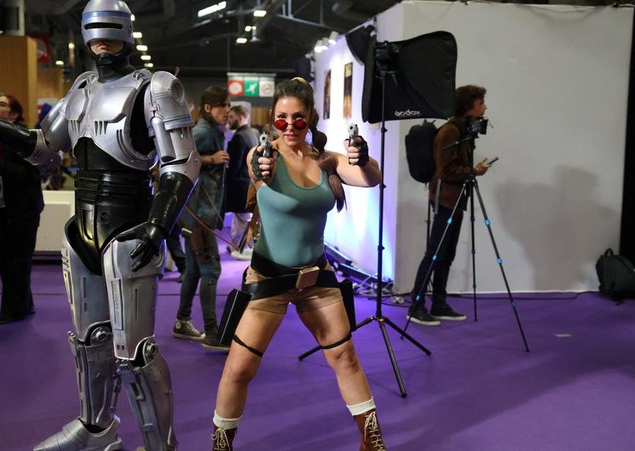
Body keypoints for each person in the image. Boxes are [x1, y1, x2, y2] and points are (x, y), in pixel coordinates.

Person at [0, 1, 199, 449]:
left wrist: (159, 224)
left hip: (129, 226)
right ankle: (96, 429)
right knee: (89, 343)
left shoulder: (156, 87)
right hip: (82, 229)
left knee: (135, 355)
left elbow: (182, 162)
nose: (101, 42)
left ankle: (161, 445)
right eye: (93, 33)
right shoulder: (81, 87)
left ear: (125, 30)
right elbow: (45, 147)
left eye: (110, 31)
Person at [210, 77, 387, 451]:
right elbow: (259, 170)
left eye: (299, 120)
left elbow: (371, 179)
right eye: (281, 119)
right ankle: (220, 446)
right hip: (269, 278)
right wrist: (261, 170)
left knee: (345, 356)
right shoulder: (264, 155)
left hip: (316, 277)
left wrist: (364, 157)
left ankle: (373, 444)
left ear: (311, 120)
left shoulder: (326, 161)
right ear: (272, 119)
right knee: (240, 368)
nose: (289, 127)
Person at [406, 85, 492, 327]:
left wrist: (471, 170)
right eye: (481, 102)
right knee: (434, 253)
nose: (485, 106)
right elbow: (445, 171)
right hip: (445, 200)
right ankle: (416, 305)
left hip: (455, 199)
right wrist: (473, 172)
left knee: (447, 253)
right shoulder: (451, 131)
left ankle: (439, 304)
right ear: (469, 106)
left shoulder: (462, 130)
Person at [173, 86, 231, 350]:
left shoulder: (210, 131)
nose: (227, 111)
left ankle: (182, 321)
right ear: (208, 108)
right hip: (198, 216)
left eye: (229, 106)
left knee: (194, 271)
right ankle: (212, 332)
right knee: (211, 270)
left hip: (194, 214)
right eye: (222, 106)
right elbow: (180, 161)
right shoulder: (203, 132)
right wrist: (210, 159)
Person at [0, 94, 42, 324]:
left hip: (23, 209)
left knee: (17, 261)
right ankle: (25, 302)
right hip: (0, 205)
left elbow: (30, 174)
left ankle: (14, 310)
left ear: (14, 114)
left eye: (2, 104)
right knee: (7, 259)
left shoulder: (24, 139)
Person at [225, 104, 259, 260]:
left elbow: (234, 166)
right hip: (249, 182)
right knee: (242, 219)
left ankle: (243, 248)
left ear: (239, 118)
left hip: (240, 185)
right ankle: (237, 245)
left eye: (231, 117)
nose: (228, 119)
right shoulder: (253, 133)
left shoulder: (240, 137)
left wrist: (226, 182)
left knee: (243, 220)